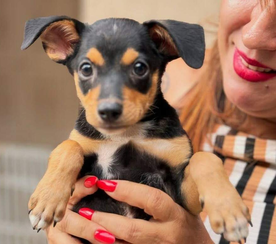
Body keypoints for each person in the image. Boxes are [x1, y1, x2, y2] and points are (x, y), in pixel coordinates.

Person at [46, 0, 276, 243]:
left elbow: (186, 193)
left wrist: (208, 171)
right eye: (87, 69)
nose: (254, 36)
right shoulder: (178, 87)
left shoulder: (165, 122)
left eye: (138, 68)